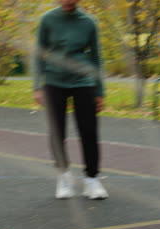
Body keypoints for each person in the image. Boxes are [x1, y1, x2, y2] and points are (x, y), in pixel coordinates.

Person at [33, 0, 108, 200]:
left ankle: (92, 179)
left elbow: (96, 57)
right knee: (57, 132)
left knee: (89, 131)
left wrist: (100, 90)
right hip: (54, 82)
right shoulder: (48, 19)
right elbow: (38, 54)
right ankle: (63, 176)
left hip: (83, 81)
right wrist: (37, 85)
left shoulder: (89, 22)